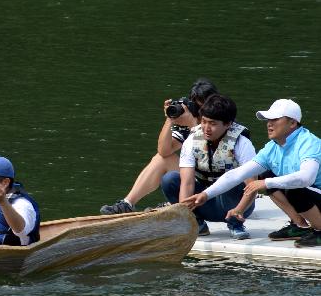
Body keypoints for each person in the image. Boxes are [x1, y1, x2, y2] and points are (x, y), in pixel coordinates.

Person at [182, 99, 321, 248]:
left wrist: (266, 183)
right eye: (268, 120)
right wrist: (206, 194)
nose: (269, 124)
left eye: (275, 119)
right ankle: (299, 225)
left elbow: (307, 178)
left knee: (291, 190)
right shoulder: (272, 148)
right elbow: (237, 174)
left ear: (293, 123)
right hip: (312, 196)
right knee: (266, 175)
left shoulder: (309, 143)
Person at [100, 78, 220, 214]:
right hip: (195, 180)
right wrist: (170, 119)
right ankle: (127, 204)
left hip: (217, 186)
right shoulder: (189, 122)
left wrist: (193, 124)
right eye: (196, 106)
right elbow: (164, 151)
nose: (199, 112)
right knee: (162, 159)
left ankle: (173, 204)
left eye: (201, 107)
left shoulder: (221, 121)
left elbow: (211, 155)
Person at [160, 94, 256, 239]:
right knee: (170, 179)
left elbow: (252, 187)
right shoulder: (192, 140)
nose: (206, 128)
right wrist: (184, 216)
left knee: (234, 180)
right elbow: (187, 183)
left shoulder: (242, 143)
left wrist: (239, 210)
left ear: (228, 124)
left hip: (235, 204)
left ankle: (235, 223)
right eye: (204, 121)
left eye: (212, 123)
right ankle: (196, 223)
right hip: (204, 202)